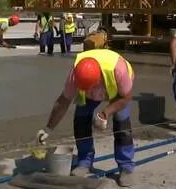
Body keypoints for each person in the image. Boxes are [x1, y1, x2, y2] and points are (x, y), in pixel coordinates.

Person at [36, 49, 135, 187]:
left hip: (118, 92)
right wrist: (48, 128)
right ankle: (84, 162)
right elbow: (63, 101)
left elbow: (126, 97)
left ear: (98, 79)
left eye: (91, 87)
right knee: (81, 120)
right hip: (96, 88)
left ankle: (126, 168)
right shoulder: (75, 75)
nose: (89, 90)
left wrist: (104, 113)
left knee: (122, 124)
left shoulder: (119, 70)